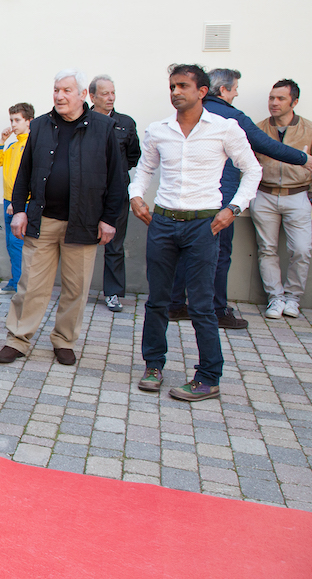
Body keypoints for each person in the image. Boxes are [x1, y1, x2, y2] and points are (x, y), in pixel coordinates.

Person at [130, 64, 261, 402]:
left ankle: (208, 377)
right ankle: (153, 364)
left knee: (201, 304)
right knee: (158, 300)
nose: (176, 92)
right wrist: (135, 195)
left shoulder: (224, 128)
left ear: (202, 91)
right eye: (172, 86)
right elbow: (145, 169)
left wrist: (233, 209)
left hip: (205, 223)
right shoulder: (158, 130)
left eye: (183, 86)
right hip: (163, 222)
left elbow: (252, 170)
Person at [0, 70, 124, 367]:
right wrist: (20, 209)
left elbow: (117, 178)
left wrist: (109, 218)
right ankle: (18, 339)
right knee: (31, 284)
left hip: (84, 221)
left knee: (76, 287)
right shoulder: (40, 125)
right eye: (56, 90)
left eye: (66, 90)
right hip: (43, 219)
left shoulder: (104, 127)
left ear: (82, 95)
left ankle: (64, 340)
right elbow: (24, 172)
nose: (59, 96)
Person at [167, 69, 312, 329]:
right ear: (222, 90)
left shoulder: (188, 113)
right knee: (220, 254)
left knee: (184, 251)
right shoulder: (232, 116)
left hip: (186, 198)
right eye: (234, 89)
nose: (236, 94)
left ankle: (176, 304)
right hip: (220, 198)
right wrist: (304, 159)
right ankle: (217, 310)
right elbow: (267, 146)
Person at [250, 79, 310, 319]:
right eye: (271, 98)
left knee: (302, 250)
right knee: (267, 249)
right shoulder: (258, 128)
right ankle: (275, 298)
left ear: (294, 102)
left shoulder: (308, 129)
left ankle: (293, 298)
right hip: (264, 195)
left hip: (298, 196)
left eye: (280, 98)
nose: (274, 103)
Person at [88, 75, 141, 312]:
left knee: (115, 245)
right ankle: (76, 291)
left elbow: (133, 156)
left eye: (113, 93)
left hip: (116, 195)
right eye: (105, 93)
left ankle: (113, 293)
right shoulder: (81, 120)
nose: (110, 98)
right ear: (92, 97)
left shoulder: (125, 123)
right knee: (79, 245)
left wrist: (116, 174)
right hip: (86, 194)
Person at [0, 103, 33, 295]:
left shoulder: (30, 145)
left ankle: (21, 285)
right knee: (11, 244)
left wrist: (17, 205)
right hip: (9, 201)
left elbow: (26, 178)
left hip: (21, 204)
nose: (13, 124)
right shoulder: (13, 145)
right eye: (11, 120)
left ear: (28, 121)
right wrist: (1, 140)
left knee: (18, 244)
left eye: (17, 120)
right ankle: (15, 281)